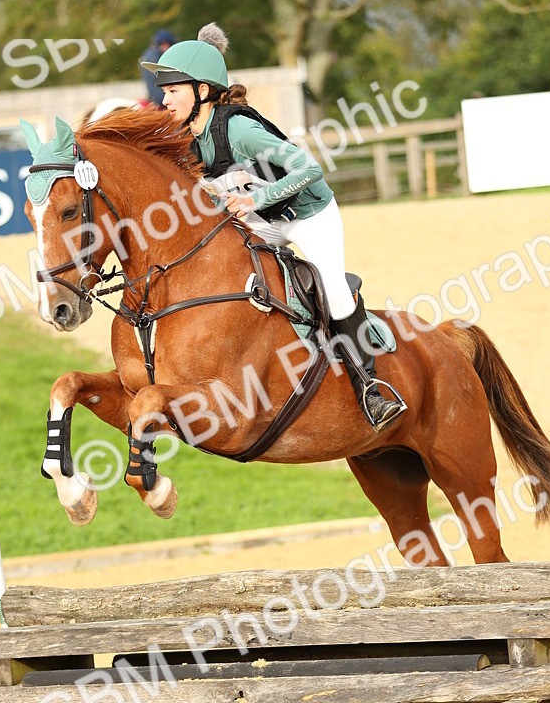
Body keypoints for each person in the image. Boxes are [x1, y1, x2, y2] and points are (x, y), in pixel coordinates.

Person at [141, 23, 406, 433]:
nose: (165, 99)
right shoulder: (186, 137)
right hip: (263, 221)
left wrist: (255, 201)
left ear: (204, 91)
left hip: (309, 214)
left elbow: (310, 168)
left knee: (333, 291)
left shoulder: (238, 128)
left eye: (173, 90)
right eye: (165, 91)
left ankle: (371, 387)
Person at [139, 29, 178, 107]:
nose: (166, 47)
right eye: (164, 44)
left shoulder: (149, 55)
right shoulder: (154, 57)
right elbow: (156, 82)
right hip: (160, 100)